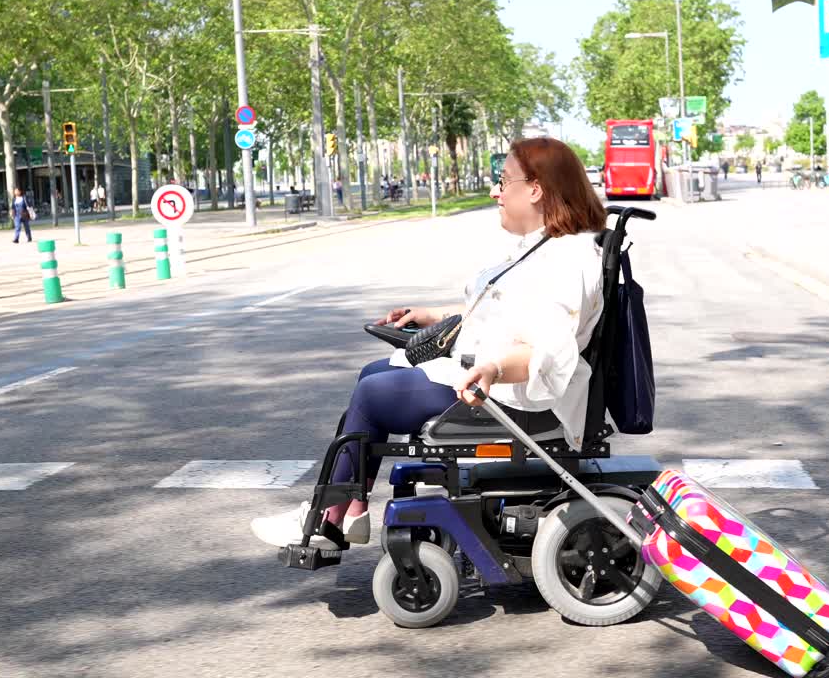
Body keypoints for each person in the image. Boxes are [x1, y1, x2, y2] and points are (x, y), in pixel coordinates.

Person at [251, 137, 608, 549]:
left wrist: (491, 370)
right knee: (374, 373)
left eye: (503, 180)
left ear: (535, 189)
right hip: (491, 377)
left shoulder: (565, 260)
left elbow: (547, 352)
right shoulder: (544, 247)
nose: (496, 191)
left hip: (508, 392)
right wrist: (432, 315)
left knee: (373, 392)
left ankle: (327, 521)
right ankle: (349, 512)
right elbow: (500, 310)